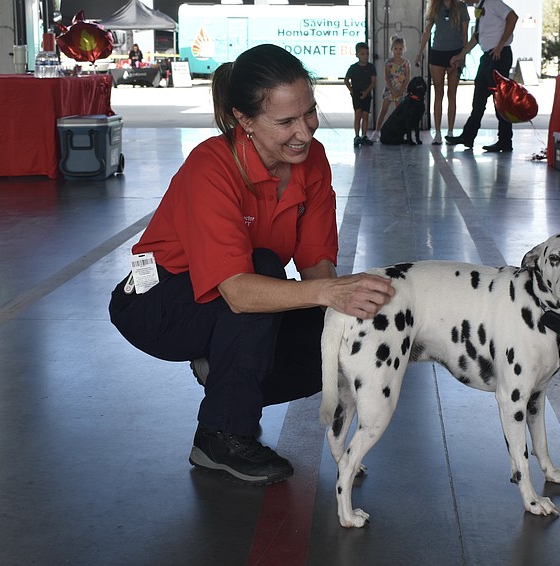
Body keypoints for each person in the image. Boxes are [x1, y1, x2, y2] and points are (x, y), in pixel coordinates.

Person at [108, 44, 394, 486]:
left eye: (310, 112)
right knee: (261, 269)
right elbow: (240, 292)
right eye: (285, 122)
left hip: (231, 299)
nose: (305, 131)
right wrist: (327, 294)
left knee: (331, 342)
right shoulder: (211, 167)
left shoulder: (311, 160)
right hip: (158, 302)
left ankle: (223, 368)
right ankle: (220, 436)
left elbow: (318, 265)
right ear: (245, 121)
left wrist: (351, 318)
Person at [445, 0, 518, 152]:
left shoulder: (492, 3)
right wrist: (460, 55)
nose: (464, 2)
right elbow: (477, 37)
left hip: (499, 55)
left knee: (500, 101)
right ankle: (468, 136)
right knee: (478, 100)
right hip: (487, 57)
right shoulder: (479, 7)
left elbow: (513, 17)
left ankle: (505, 140)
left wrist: (500, 45)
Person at [414, 0, 470, 145]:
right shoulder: (434, 7)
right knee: (438, 93)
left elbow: (465, 33)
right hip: (437, 53)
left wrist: (463, 55)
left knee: (452, 94)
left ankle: (450, 132)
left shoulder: (461, 6)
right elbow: (427, 31)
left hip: (455, 53)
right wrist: (420, 53)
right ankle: (437, 133)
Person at [372, 35, 411, 141]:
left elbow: (407, 78)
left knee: (399, 113)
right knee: (383, 110)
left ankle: (401, 133)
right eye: (396, 49)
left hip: (400, 91)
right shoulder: (388, 62)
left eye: (400, 49)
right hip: (390, 90)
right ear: (392, 49)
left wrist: (401, 89)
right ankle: (376, 131)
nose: (398, 51)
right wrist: (392, 89)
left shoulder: (405, 63)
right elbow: (387, 77)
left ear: (403, 49)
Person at [344, 42, 377, 148]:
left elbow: (373, 81)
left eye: (367, 54)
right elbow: (346, 80)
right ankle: (357, 135)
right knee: (358, 113)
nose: (365, 56)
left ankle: (364, 135)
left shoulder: (371, 67)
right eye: (362, 54)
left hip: (366, 94)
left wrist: (367, 92)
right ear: (357, 55)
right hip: (356, 94)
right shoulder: (353, 68)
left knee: (365, 115)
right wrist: (352, 90)